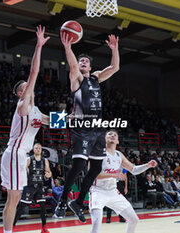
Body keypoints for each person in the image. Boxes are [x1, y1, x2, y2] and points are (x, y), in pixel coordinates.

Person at [55, 31, 120, 223]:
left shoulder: (96, 78)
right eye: (81, 60)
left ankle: (78, 202)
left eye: (85, 61)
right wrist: (68, 48)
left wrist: (115, 49)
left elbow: (115, 67)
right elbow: (73, 64)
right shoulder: (76, 78)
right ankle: (63, 201)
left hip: (97, 130)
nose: (82, 62)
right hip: (81, 128)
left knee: (96, 168)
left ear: (90, 67)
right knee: (78, 166)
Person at [1, 25, 50, 233]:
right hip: (14, 153)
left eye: (26, 86)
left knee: (17, 197)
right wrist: (38, 46)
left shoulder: (36, 111)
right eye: (24, 87)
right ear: (20, 94)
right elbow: (34, 71)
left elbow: (54, 121)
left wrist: (78, 117)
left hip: (21, 156)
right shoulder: (22, 106)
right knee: (13, 198)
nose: (27, 87)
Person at [89, 130, 157, 233]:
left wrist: (147, 165)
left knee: (134, 220)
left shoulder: (119, 155)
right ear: (104, 139)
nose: (112, 135)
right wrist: (113, 175)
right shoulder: (97, 152)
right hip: (98, 191)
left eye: (115, 135)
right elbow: (92, 175)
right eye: (109, 134)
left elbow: (133, 170)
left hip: (112, 192)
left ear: (118, 141)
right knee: (96, 223)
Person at [13, 143, 52, 232]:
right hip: (29, 186)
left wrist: (48, 175)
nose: (38, 149)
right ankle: (12, 226)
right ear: (33, 149)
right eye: (36, 148)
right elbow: (22, 170)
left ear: (41, 150)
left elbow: (49, 172)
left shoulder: (45, 160)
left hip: (39, 185)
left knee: (43, 207)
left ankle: (44, 227)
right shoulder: (29, 159)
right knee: (22, 207)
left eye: (39, 148)